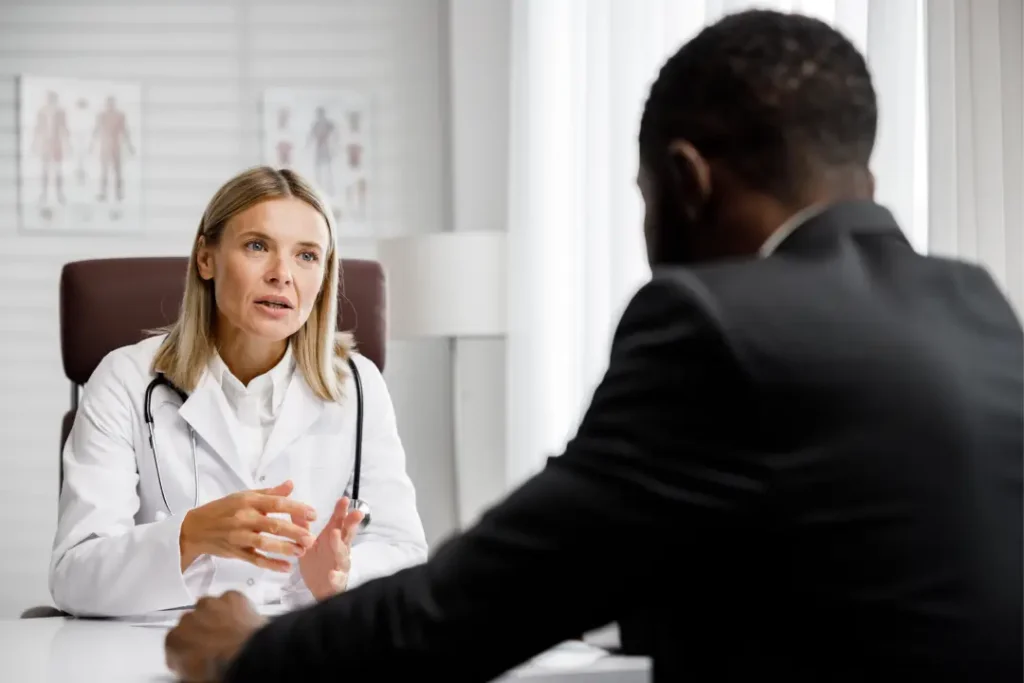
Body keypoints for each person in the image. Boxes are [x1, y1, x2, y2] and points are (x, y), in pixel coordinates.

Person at [166, 10, 1023, 682]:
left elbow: (475, 604)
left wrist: (247, 652)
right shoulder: (978, 308)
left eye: (644, 197)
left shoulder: (713, 324)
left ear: (685, 181)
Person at [50, 166, 428, 618]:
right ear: (206, 259)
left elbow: (404, 550)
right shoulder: (124, 380)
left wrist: (341, 574)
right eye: (257, 246)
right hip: (161, 641)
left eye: (307, 256)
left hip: (301, 642)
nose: (282, 274)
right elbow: (74, 577)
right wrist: (189, 536)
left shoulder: (358, 384)